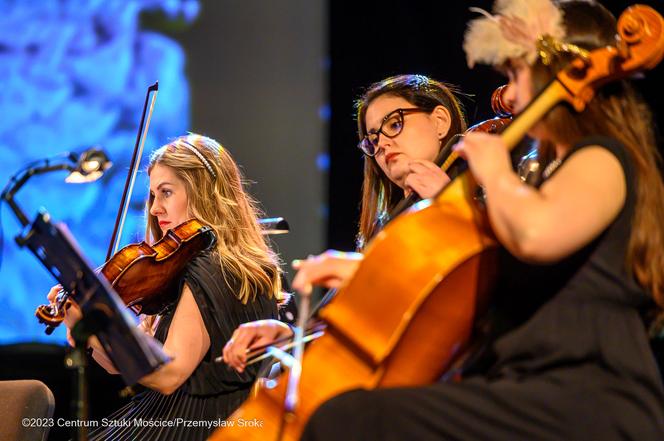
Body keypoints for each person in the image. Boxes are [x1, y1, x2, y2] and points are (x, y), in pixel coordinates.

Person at [292, 1, 664, 440]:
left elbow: (533, 235)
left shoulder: (601, 157)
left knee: (349, 419)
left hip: (587, 393)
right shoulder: (550, 174)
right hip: (528, 387)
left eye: (516, 75)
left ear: (556, 73)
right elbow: (482, 272)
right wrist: (361, 270)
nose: (508, 95)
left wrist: (495, 173)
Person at [221, 74, 469, 371]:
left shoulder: (479, 197)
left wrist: (454, 207)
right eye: (374, 139)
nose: (384, 145)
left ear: (440, 121)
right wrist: (291, 335)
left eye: (394, 124)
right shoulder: (386, 224)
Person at [47, 134, 283, 440]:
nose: (155, 208)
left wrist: (92, 324)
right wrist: (86, 327)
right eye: (153, 195)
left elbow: (169, 375)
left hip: (193, 425)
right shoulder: (202, 266)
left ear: (205, 194)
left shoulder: (213, 268)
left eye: (166, 193)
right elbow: (125, 366)